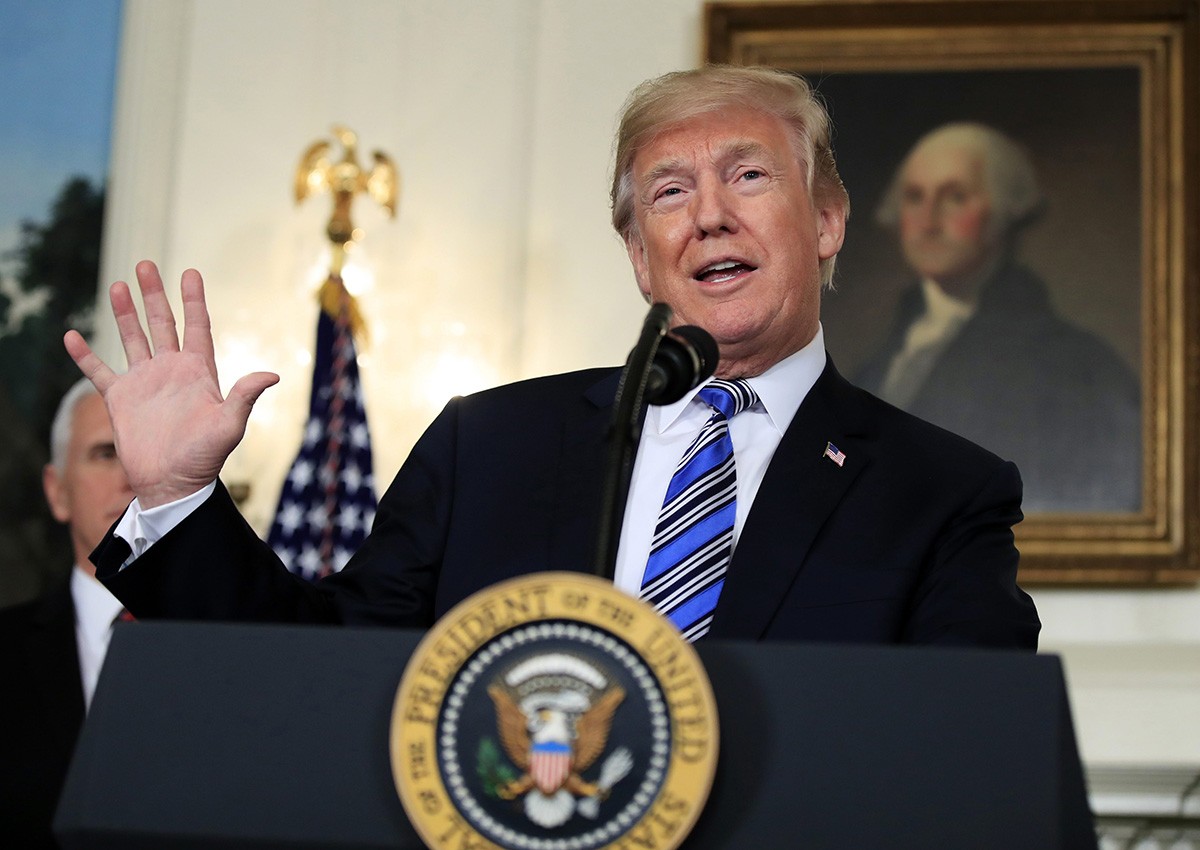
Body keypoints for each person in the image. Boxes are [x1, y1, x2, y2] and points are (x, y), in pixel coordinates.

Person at [66, 66, 1039, 648]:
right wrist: (181, 500)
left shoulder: (941, 492)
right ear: (636, 253)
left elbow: (958, 752)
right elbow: (324, 674)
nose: (709, 214)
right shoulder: (487, 445)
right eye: (667, 192)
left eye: (748, 175)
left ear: (826, 219)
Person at [856, 123, 1141, 512]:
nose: (928, 218)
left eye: (955, 197)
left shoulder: (1078, 368)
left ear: (1005, 211)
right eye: (914, 197)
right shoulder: (883, 357)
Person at [0, 378, 133, 849]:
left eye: (144, 449)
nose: (132, 476)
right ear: (57, 492)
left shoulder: (242, 643)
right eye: (105, 453)